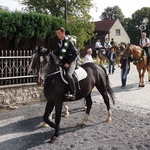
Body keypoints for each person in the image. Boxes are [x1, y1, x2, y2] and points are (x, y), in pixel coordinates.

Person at [55, 27, 78, 100]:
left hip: (71, 62)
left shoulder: (69, 42)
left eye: (58, 33)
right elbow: (57, 53)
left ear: (63, 33)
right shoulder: (58, 42)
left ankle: (73, 92)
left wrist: (68, 63)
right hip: (62, 62)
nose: (57, 35)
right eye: (57, 33)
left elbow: (75, 53)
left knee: (68, 75)